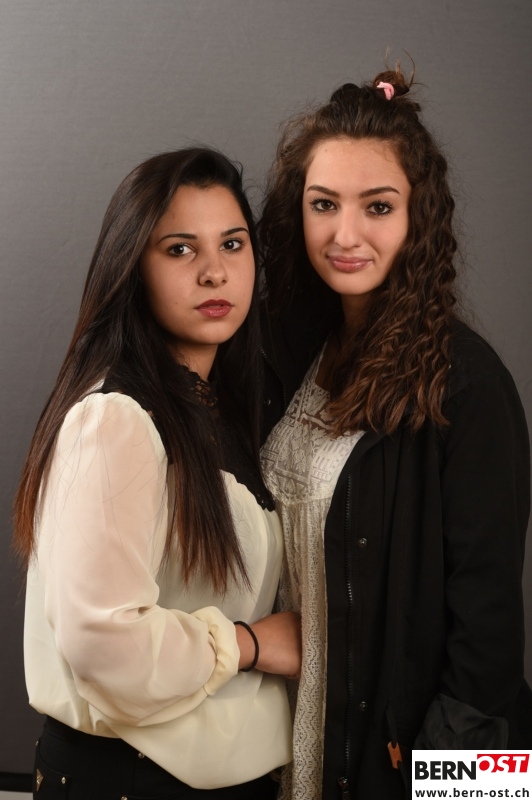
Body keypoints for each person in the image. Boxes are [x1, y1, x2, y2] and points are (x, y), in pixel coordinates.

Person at [259, 67, 532, 800]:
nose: (345, 235)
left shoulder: (467, 384)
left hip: (395, 769)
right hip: (277, 742)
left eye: (378, 206)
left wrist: (448, 791)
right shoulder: (291, 353)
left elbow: (490, 647)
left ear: (419, 217)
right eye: (324, 205)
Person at [14, 147, 301, 800]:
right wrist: (250, 645)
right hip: (131, 779)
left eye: (232, 244)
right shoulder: (116, 418)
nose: (214, 271)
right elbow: (102, 640)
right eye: (179, 249)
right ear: (133, 268)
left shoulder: (221, 408)